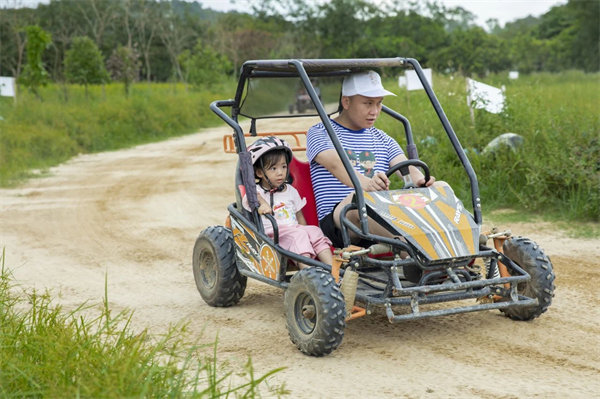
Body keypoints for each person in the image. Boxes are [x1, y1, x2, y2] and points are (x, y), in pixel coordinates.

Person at [306, 70, 440, 248]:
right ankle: (417, 248)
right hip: (338, 220)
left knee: (440, 188)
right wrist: (366, 184)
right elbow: (336, 164)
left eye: (379, 104)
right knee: (361, 199)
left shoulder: (382, 138)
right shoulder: (320, 132)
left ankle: (460, 236)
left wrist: (421, 181)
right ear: (346, 102)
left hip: (380, 210)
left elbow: (405, 168)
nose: (375, 111)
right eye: (368, 103)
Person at [243, 136, 334, 268]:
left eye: (284, 167)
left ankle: (333, 270)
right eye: (273, 169)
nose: (280, 173)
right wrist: (262, 203)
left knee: (314, 231)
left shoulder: (290, 190)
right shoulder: (256, 191)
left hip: (293, 231)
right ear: (259, 173)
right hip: (272, 235)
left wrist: (306, 231)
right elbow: (251, 198)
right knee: (298, 235)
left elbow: (299, 215)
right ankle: (307, 272)